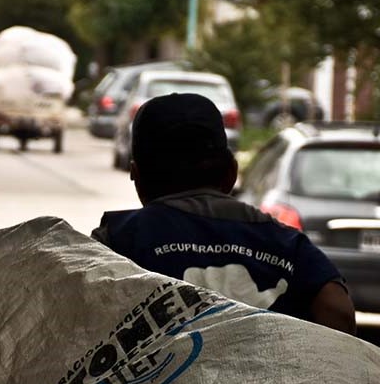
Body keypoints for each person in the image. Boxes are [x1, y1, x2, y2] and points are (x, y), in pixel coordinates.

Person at [91, 92, 356, 334]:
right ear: (230, 173)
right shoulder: (289, 247)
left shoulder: (115, 243)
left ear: (137, 176)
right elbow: (339, 314)